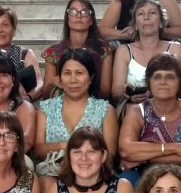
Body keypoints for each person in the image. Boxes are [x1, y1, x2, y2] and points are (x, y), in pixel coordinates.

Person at [118, 54, 181, 188]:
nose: (163, 82)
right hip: (142, 173)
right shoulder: (137, 110)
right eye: (157, 77)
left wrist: (142, 158)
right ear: (149, 82)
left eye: (170, 77)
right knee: (124, 183)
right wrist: (177, 148)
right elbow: (125, 150)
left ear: (180, 82)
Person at [34, 48, 118, 177]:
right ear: (60, 78)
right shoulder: (46, 108)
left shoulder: (105, 110)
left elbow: (110, 154)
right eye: (67, 73)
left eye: (79, 73)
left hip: (93, 175)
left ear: (91, 77)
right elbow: (38, 150)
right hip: (53, 174)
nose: (73, 80)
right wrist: (64, 145)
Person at [109, 0, 181, 104]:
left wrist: (152, 93)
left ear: (161, 23)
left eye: (152, 13)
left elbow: (176, 83)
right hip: (131, 107)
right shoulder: (123, 50)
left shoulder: (175, 48)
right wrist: (126, 93)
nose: (146, 17)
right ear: (135, 25)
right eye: (141, 13)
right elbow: (115, 91)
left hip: (165, 105)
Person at [41, 0, 114, 99]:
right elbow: (45, 95)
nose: (78, 16)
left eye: (84, 12)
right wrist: (52, 82)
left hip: (94, 103)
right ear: (67, 19)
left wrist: (84, 85)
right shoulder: (53, 52)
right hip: (61, 103)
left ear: (91, 20)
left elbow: (105, 92)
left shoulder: (105, 50)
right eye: (73, 12)